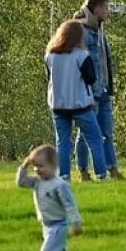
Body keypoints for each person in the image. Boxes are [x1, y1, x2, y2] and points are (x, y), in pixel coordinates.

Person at [16, 143, 90, 251]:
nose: (37, 170)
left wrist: (76, 223)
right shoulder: (37, 182)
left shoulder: (59, 185)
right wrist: (24, 166)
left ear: (53, 166)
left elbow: (70, 205)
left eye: (41, 166)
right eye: (35, 167)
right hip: (46, 226)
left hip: (58, 226)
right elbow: (21, 182)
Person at [45, 18, 104, 183]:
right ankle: (100, 173)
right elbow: (91, 78)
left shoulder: (50, 55)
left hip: (58, 104)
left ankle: (64, 175)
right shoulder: (81, 56)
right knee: (95, 139)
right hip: (80, 103)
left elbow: (49, 77)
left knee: (63, 141)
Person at [73, 0, 123, 182]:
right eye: (107, 8)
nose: (109, 12)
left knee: (107, 133)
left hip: (103, 89)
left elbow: (104, 61)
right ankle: (84, 171)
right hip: (88, 91)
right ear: (97, 9)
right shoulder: (82, 30)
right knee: (85, 134)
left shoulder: (99, 31)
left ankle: (113, 169)